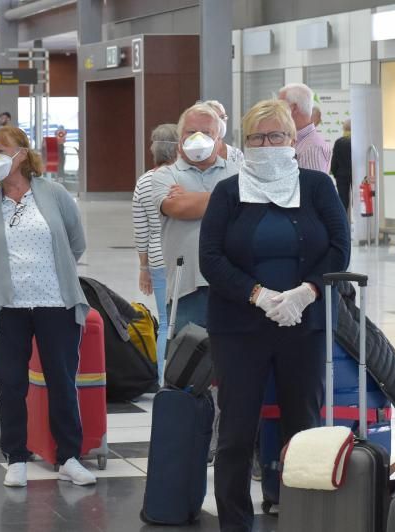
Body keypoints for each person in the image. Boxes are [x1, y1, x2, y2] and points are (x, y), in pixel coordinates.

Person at [199, 99, 350, 532]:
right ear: (245, 143)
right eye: (258, 138)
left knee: (303, 428)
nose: (267, 144)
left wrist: (306, 292)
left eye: (276, 136)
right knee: (236, 432)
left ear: (292, 139)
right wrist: (258, 294)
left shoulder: (317, 186)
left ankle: (305, 518)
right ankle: (234, 522)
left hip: (304, 324)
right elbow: (210, 257)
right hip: (239, 328)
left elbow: (339, 247)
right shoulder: (229, 191)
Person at [0, 125, 96, 488]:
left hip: (56, 301)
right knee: (10, 385)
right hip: (8, 306)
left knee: (61, 381)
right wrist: (4, 282)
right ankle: (16, 456)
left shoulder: (54, 193)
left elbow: (75, 243)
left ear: (22, 154)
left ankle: (69, 456)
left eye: (2, 150)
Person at [151, 103, 239, 332]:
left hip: (235, 286)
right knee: (187, 363)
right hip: (186, 288)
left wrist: (195, 198)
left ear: (219, 138)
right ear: (180, 138)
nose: (198, 138)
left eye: (207, 132)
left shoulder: (239, 172)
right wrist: (230, 198)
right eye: (191, 132)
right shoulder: (164, 176)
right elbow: (178, 208)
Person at [132, 123, 178, 380]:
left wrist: (143, 268)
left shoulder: (145, 181)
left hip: (159, 262)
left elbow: (141, 230)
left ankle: (162, 379)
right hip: (184, 259)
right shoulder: (183, 177)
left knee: (164, 322)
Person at [278, 83, 331, 173]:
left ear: (293, 108)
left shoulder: (312, 149)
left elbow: (310, 186)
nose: (277, 111)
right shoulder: (299, 141)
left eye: (280, 106)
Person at [203, 100, 245, 166]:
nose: (220, 122)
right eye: (215, 117)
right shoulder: (198, 151)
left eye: (222, 117)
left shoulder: (236, 154)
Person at [331, 119, 352, 214]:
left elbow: (334, 161)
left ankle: (343, 222)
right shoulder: (357, 142)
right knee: (357, 199)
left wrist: (336, 174)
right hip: (355, 175)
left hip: (341, 176)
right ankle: (359, 224)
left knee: (343, 201)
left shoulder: (339, 142)